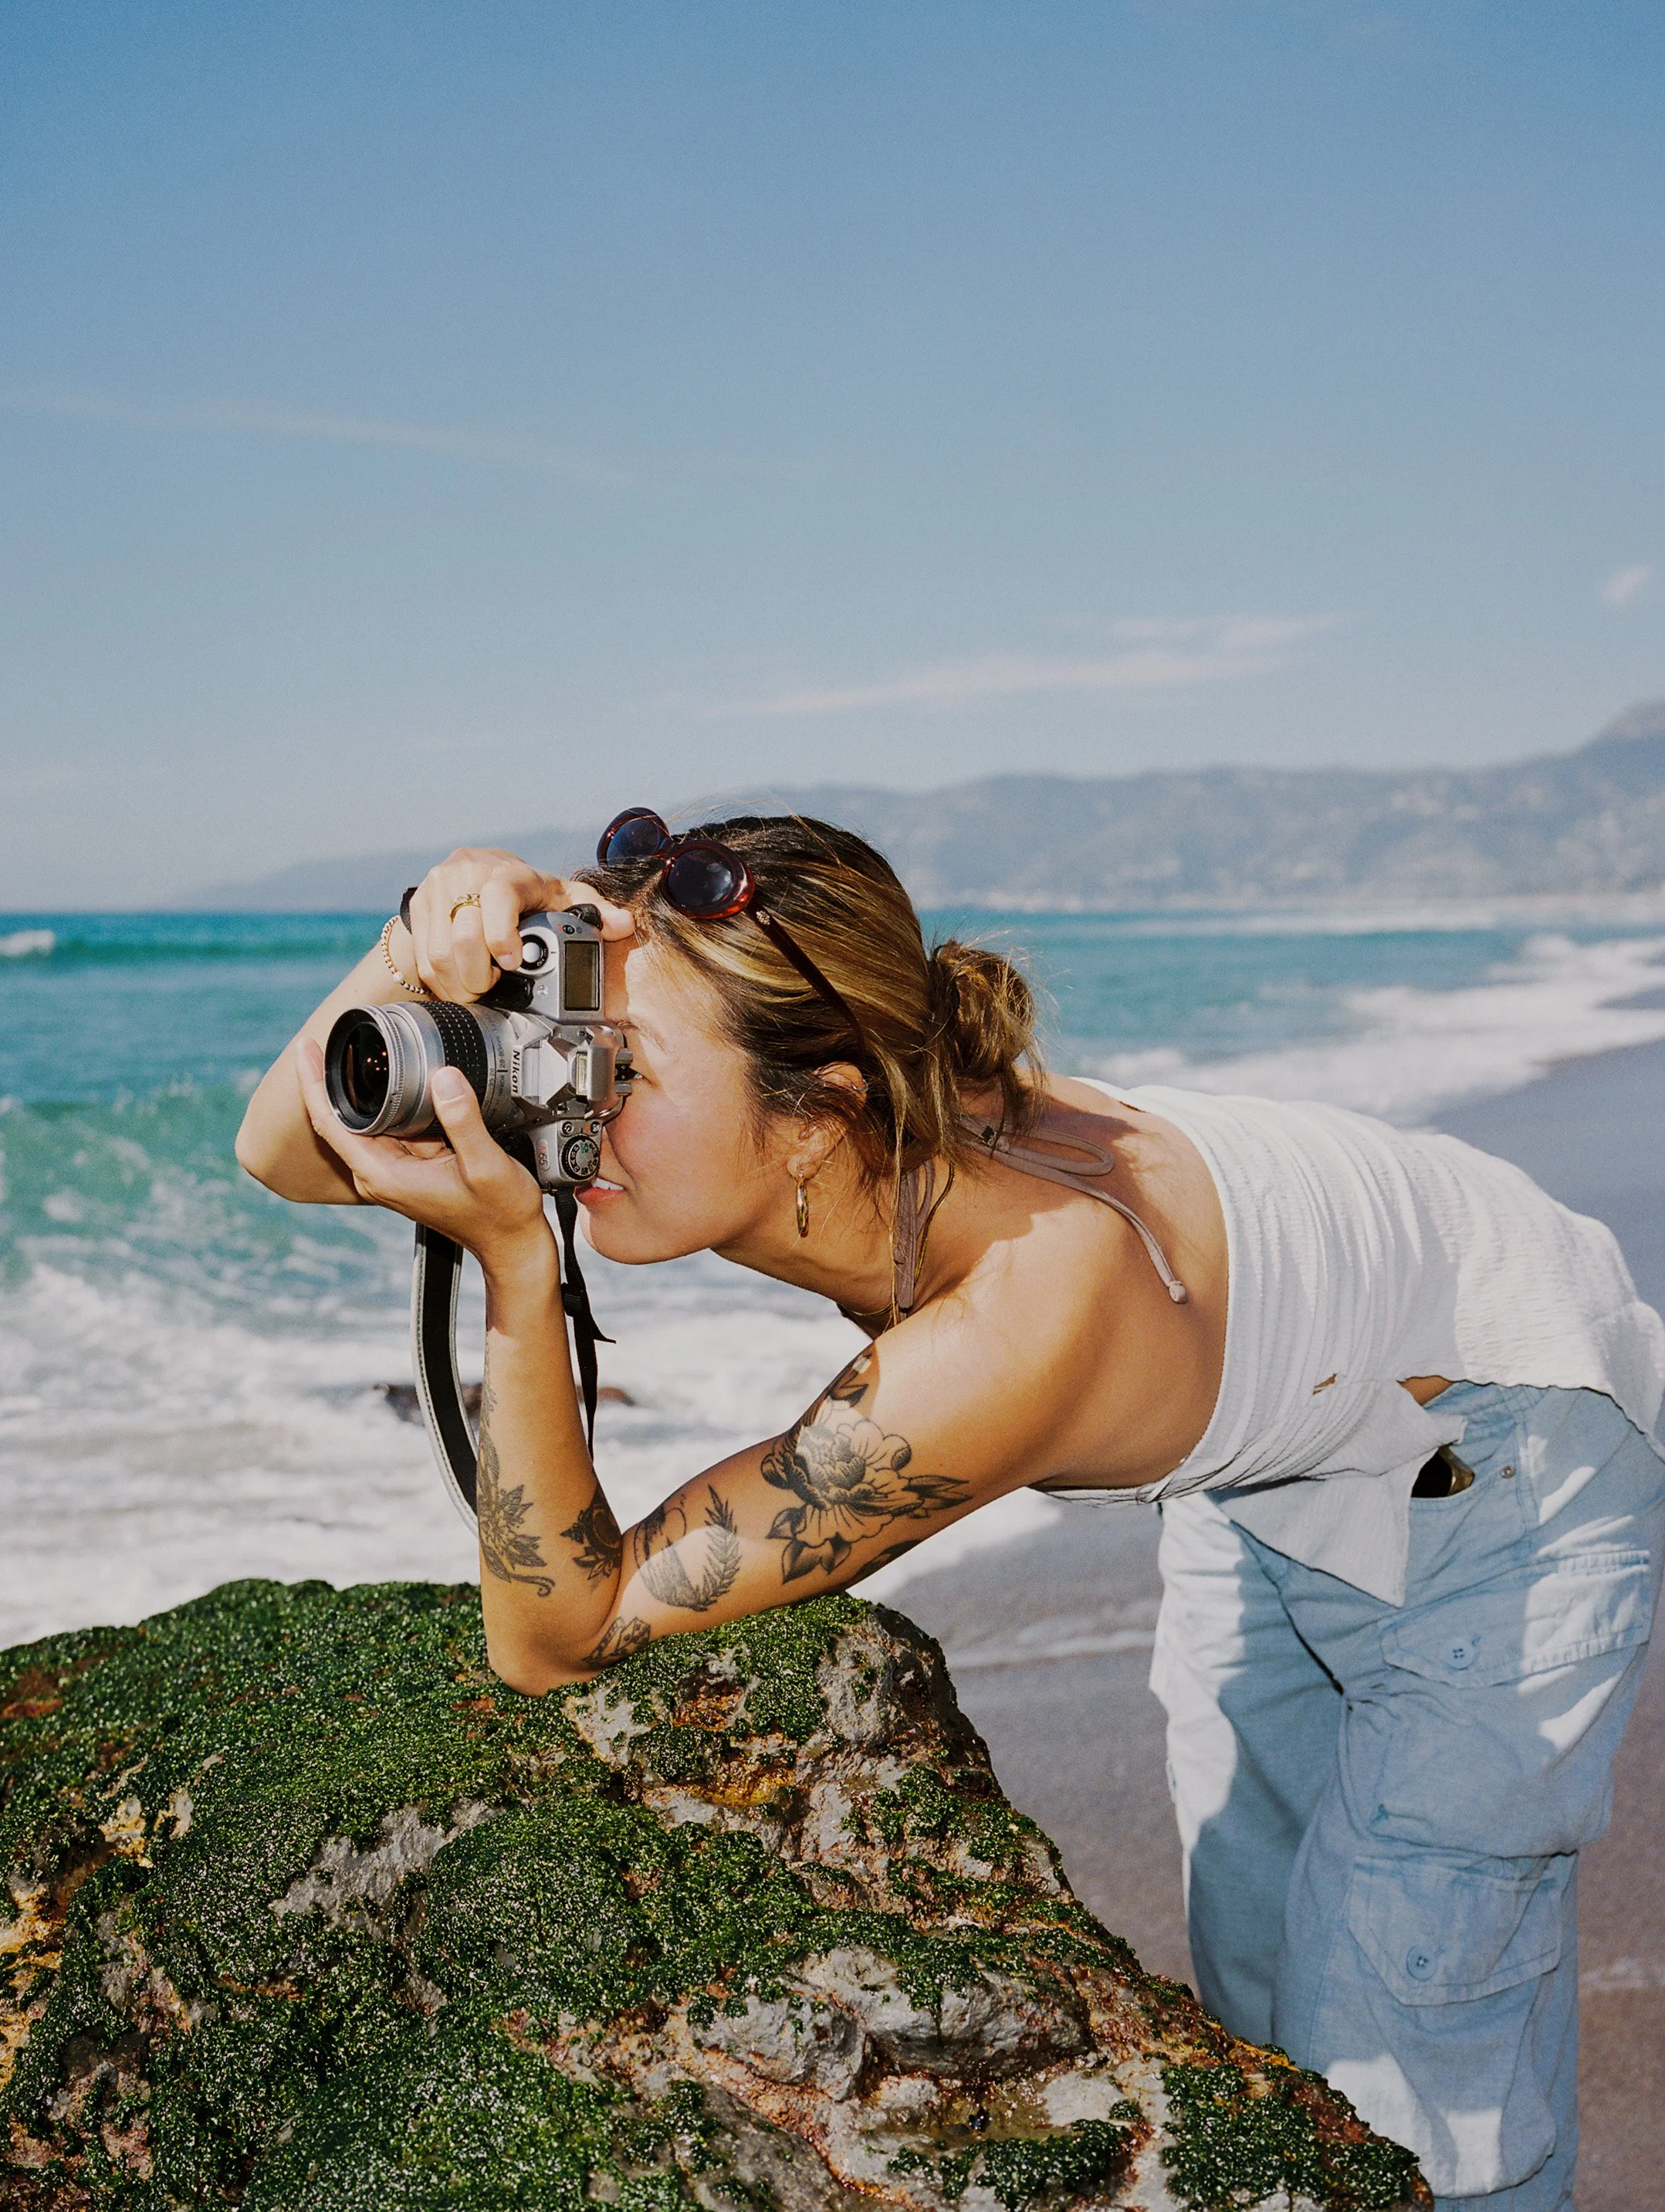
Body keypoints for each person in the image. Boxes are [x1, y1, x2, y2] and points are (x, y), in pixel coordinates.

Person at [238, 811, 1665, 2212]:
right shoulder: (845, 1092)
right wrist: (417, 960)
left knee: (1411, 2045)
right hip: (1293, 1417)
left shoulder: (1026, 1317)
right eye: (575, 1052)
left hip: (1502, 1431)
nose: (574, 1113)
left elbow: (559, 1630)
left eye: (622, 1076)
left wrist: (516, 1270)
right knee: (1269, 1972)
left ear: (824, 1113)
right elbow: (282, 1152)